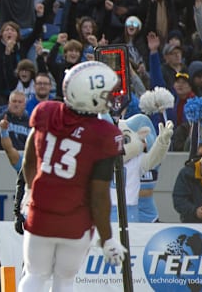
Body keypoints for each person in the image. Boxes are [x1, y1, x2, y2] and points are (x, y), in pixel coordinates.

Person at [18, 61, 127, 291]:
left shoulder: (45, 111)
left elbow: (29, 160)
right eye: (106, 93)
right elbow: (98, 196)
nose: (110, 98)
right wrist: (107, 239)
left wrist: (29, 192)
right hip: (75, 222)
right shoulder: (105, 134)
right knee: (65, 280)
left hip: (40, 214)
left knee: (35, 274)